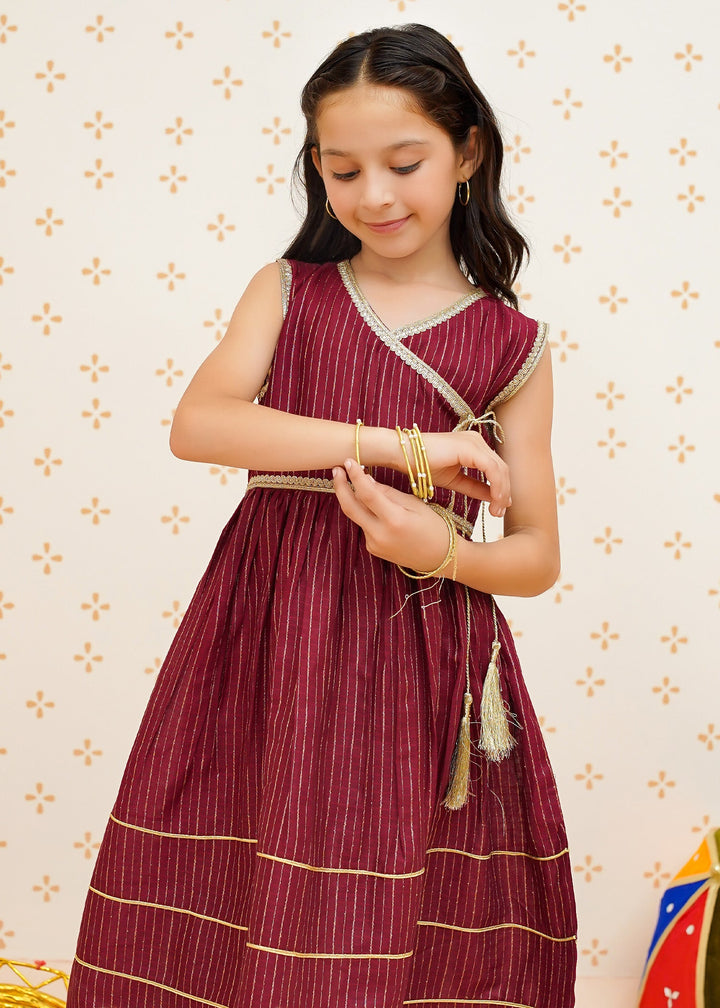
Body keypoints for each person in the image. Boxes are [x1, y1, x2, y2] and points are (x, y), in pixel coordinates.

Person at [67, 23, 577, 1008]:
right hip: (266, 634)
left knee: (390, 896)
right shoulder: (288, 292)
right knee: (235, 870)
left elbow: (535, 556)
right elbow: (200, 426)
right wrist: (404, 447)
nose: (374, 195)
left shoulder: (514, 344)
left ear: (468, 152)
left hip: (421, 656)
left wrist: (439, 549)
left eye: (404, 164)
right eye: (342, 170)